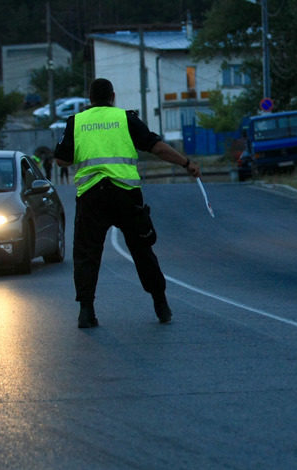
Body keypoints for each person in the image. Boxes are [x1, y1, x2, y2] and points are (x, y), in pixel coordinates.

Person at [55, 78, 201, 329]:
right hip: (126, 195)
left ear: (89, 99)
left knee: (86, 254)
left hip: (91, 196)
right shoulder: (126, 118)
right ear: (113, 96)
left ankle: (86, 312)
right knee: (142, 250)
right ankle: (161, 304)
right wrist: (186, 164)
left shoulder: (76, 122)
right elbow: (157, 148)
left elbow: (60, 161)